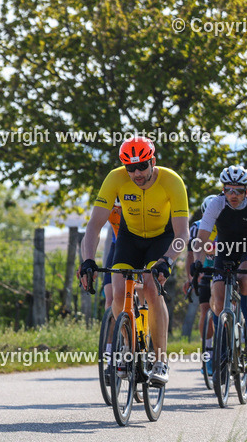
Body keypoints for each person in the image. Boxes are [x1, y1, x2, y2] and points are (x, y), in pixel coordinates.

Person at [79, 137, 188, 385]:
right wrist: (87, 260)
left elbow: (182, 235)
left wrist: (168, 260)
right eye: (130, 168)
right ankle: (129, 351)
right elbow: (94, 226)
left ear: (153, 161)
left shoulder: (172, 181)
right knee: (117, 293)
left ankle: (160, 361)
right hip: (129, 239)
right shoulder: (115, 178)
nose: (136, 174)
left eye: (142, 167)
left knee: (151, 287)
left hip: (161, 240)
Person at [191, 166, 247, 361]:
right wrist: (197, 262)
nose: (232, 195)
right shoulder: (217, 204)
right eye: (228, 189)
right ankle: (221, 343)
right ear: (223, 189)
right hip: (225, 249)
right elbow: (201, 238)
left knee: (244, 275)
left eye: (238, 190)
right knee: (217, 291)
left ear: (246, 191)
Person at [184, 196, 217, 375]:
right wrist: (191, 278)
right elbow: (190, 255)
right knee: (205, 309)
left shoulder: (226, 223)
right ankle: (208, 352)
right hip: (205, 268)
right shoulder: (196, 226)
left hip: (222, 266)